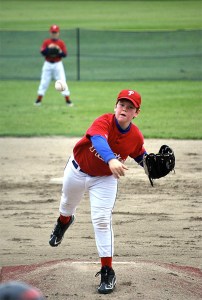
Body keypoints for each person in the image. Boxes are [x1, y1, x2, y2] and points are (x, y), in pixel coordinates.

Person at [49, 89, 147, 294]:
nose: (124, 109)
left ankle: (107, 270)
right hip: (77, 171)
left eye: (130, 107)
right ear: (115, 107)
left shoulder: (135, 135)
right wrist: (111, 159)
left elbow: (141, 156)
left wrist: (152, 166)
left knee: (102, 220)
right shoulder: (103, 122)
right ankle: (64, 222)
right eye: (122, 105)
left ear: (136, 113)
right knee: (67, 205)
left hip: (104, 180)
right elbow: (98, 141)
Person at [34, 24, 73, 107]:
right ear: (50, 33)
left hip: (58, 64)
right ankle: (38, 100)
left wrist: (58, 50)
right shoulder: (46, 42)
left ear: (58, 33)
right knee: (44, 82)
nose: (54, 34)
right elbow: (42, 52)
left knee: (62, 82)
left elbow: (64, 54)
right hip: (47, 64)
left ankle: (68, 100)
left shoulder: (61, 43)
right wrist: (49, 48)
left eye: (55, 32)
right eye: (53, 32)